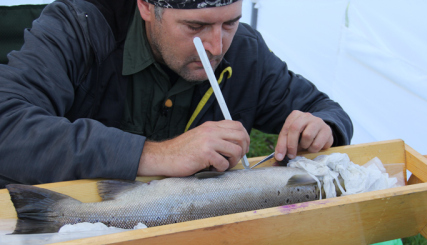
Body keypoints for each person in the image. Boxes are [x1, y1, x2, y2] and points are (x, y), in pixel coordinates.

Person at [0, 0, 353, 188]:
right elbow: (8, 126)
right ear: (146, 7)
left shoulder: (244, 50)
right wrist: (156, 155)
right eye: (195, 26)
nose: (217, 47)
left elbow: (325, 109)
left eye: (230, 22)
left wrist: (321, 126)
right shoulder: (79, 28)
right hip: (67, 229)